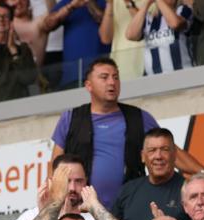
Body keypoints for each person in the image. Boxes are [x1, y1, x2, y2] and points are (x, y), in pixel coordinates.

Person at [50, 58, 166, 209]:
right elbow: (56, 168)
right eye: (104, 77)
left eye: (116, 77)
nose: (112, 82)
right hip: (83, 211)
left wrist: (202, 172)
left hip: (129, 210)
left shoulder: (139, 117)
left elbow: (170, 151)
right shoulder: (71, 118)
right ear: (88, 85)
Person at [111, 127, 192, 220]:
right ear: (143, 156)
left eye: (164, 149)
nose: (158, 156)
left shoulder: (189, 191)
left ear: (174, 154)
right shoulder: (127, 190)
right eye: (152, 150)